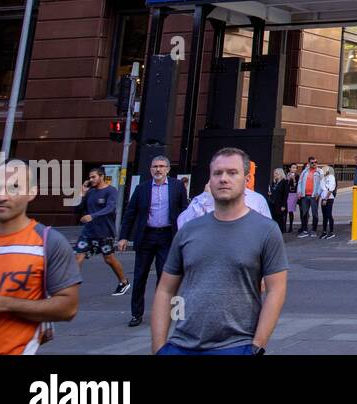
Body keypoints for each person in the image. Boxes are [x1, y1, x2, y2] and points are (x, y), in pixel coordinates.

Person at [152, 148, 288, 355]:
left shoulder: (266, 230)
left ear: (247, 179)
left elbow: (276, 290)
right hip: (180, 344)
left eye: (232, 173)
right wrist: (159, 348)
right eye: (217, 173)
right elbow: (165, 290)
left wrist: (256, 346)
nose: (223, 179)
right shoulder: (188, 230)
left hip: (236, 345)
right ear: (210, 179)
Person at [0, 160, 81, 355]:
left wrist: (4, 303)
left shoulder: (48, 242)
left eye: (14, 187)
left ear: (32, 192)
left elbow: (68, 308)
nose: (1, 196)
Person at [118, 154, 189, 328]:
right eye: (155, 166)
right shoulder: (141, 188)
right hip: (146, 237)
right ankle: (136, 314)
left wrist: (185, 236)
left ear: (168, 169)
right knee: (140, 276)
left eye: (161, 166)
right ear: (150, 169)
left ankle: (163, 313)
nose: (158, 169)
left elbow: (185, 211)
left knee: (164, 277)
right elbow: (130, 213)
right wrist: (124, 237)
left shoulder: (177, 187)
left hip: (167, 236)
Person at [73, 166, 129, 296]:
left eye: (94, 177)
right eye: (90, 177)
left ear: (101, 176)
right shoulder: (91, 192)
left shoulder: (111, 191)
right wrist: (82, 194)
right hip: (88, 232)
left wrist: (92, 216)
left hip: (105, 232)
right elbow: (78, 210)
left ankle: (124, 281)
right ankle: (71, 286)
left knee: (109, 259)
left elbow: (110, 208)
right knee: (78, 257)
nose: (91, 179)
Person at [296, 156, 324, 238]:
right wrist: (299, 192)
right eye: (312, 162)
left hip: (314, 196)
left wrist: (318, 193)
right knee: (304, 213)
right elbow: (300, 182)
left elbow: (321, 184)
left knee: (315, 213)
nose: (314, 164)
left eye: (316, 162)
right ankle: (304, 230)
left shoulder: (320, 172)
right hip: (305, 196)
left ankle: (313, 230)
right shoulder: (305, 171)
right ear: (309, 163)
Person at [319, 165, 337, 239]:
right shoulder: (323, 178)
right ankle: (324, 231)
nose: (323, 170)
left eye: (324, 169)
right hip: (323, 197)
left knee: (329, 214)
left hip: (329, 198)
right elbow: (322, 188)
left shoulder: (331, 177)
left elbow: (331, 189)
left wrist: (326, 199)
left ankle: (331, 232)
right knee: (324, 216)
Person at [268, 167, 289, 232]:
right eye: (274, 173)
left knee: (280, 220)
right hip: (273, 203)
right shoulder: (274, 182)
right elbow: (273, 191)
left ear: (280, 174)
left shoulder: (284, 182)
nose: (274, 175)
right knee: (273, 219)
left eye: (276, 173)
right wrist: (270, 193)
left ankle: (280, 233)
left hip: (280, 204)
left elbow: (286, 195)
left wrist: (283, 205)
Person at [284, 163, 299, 233]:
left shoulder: (297, 176)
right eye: (293, 167)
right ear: (290, 168)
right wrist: (288, 179)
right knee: (284, 210)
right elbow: (285, 184)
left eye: (295, 168)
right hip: (286, 194)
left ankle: (290, 226)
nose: (294, 169)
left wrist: (294, 180)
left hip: (293, 194)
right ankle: (283, 226)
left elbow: (296, 186)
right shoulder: (286, 175)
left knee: (290, 210)